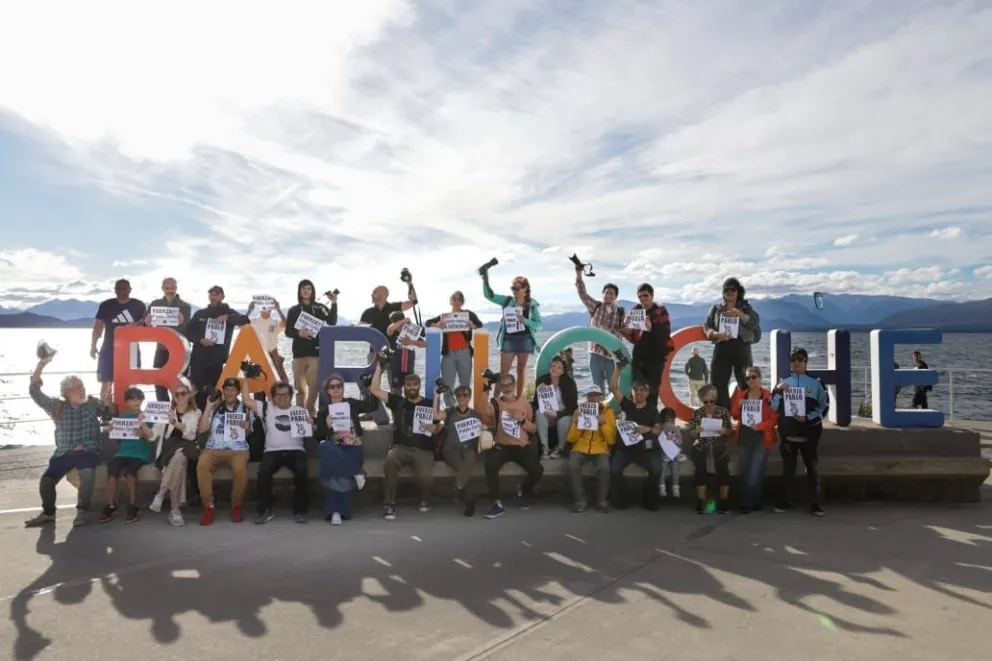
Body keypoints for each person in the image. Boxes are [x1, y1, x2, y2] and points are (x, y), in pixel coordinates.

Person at [24, 353, 112, 527]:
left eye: (82, 386)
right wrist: (41, 365)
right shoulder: (57, 406)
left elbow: (110, 415)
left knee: (87, 472)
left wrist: (109, 404)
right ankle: (48, 513)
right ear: (67, 392)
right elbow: (34, 392)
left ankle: (83, 510)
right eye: (77, 387)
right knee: (46, 481)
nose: (82, 390)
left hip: (88, 451)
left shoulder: (93, 404)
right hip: (64, 452)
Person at [368, 356, 437, 520]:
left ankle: (425, 499)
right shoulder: (397, 402)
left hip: (423, 449)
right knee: (390, 460)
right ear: (404, 387)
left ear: (419, 386)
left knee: (427, 478)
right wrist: (379, 367)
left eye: (415, 385)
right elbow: (375, 390)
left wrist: (435, 428)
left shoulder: (428, 404)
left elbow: (439, 423)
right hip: (401, 448)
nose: (412, 388)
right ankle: (389, 504)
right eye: (409, 385)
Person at [242, 380, 310, 524]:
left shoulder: (300, 411)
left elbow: (311, 432)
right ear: (272, 397)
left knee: (302, 470)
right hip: (272, 451)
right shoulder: (267, 408)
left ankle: (300, 510)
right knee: (263, 473)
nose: (282, 398)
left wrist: (311, 425)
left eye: (285, 395)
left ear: (290, 396)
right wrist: (245, 379)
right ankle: (265, 510)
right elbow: (246, 400)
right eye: (278, 395)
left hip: (295, 450)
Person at [770, 348, 828, 517]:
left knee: (812, 468)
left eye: (800, 359)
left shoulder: (816, 382)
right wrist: (778, 391)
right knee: (788, 469)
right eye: (793, 359)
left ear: (806, 362)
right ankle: (785, 501)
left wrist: (808, 417)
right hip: (788, 434)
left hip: (810, 433)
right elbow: (772, 407)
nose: (796, 362)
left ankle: (815, 504)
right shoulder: (782, 382)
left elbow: (824, 408)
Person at [481, 374, 544, 519]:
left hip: (521, 446)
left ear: (514, 385)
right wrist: (486, 389)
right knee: (490, 466)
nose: (506, 388)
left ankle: (522, 491)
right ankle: (497, 503)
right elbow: (485, 413)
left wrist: (522, 420)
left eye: (509, 385)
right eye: (503, 386)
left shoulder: (525, 404)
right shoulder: (495, 403)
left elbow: (534, 429)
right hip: (502, 445)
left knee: (537, 470)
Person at [195, 377, 253, 525]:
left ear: (238, 392)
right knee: (202, 465)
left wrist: (246, 427)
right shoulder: (215, 406)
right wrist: (208, 407)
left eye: (233, 389)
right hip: (213, 448)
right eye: (226, 389)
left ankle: (237, 506)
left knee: (240, 469)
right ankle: (209, 506)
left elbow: (249, 433)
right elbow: (202, 430)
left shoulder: (246, 408)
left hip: (237, 449)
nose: (229, 392)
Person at [316, 374, 371, 525]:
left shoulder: (351, 404)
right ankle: (357, 472)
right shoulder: (323, 411)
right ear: (327, 390)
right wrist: (327, 426)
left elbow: (372, 405)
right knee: (324, 447)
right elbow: (319, 436)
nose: (336, 389)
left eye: (338, 386)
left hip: (353, 446)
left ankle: (335, 513)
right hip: (335, 448)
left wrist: (369, 387)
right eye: (332, 387)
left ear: (342, 388)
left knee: (335, 472)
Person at [607, 367, 663, 510]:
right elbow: (613, 387)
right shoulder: (627, 405)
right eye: (636, 389)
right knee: (614, 470)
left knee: (656, 470)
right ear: (632, 392)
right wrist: (617, 370)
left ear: (647, 393)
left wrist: (647, 429)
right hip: (625, 449)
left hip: (645, 449)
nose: (639, 392)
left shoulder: (652, 410)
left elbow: (658, 431)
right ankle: (624, 498)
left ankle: (648, 499)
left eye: (642, 390)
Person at [185, 286, 249, 408]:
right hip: (199, 359)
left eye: (217, 294)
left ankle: (214, 419)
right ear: (209, 297)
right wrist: (200, 340)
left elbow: (245, 320)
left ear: (222, 296)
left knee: (216, 391)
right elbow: (188, 332)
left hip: (217, 360)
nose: (214, 297)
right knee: (198, 391)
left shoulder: (229, 312)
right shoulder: (200, 313)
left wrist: (227, 318)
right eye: (211, 294)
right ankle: (200, 420)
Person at [482, 272, 543, 399]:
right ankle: (496, 401)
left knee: (521, 370)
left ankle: (519, 399)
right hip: (509, 340)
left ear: (525, 289)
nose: (514, 291)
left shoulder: (531, 305)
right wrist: (484, 278)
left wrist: (525, 321)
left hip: (525, 339)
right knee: (504, 372)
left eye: (517, 288)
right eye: (512, 288)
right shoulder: (507, 301)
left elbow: (539, 325)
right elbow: (488, 295)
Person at [99, 388, 155, 524]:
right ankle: (111, 505)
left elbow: (151, 439)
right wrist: (113, 430)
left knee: (131, 471)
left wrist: (142, 434)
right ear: (127, 402)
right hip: (123, 452)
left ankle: (133, 505)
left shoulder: (148, 417)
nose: (135, 402)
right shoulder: (123, 417)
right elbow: (117, 437)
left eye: (138, 398)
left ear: (142, 400)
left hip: (140, 453)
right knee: (112, 469)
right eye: (131, 399)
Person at [148, 382, 201, 526]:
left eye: (183, 393)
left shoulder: (195, 412)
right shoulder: (166, 412)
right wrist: (142, 423)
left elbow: (190, 433)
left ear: (189, 395)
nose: (180, 397)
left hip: (186, 449)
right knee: (178, 463)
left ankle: (161, 493)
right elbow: (152, 435)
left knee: (179, 457)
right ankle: (175, 511)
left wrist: (175, 422)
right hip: (167, 452)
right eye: (176, 394)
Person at [704, 277, 761, 409]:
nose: (729, 292)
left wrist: (740, 314)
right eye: (726, 289)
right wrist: (715, 334)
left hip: (742, 347)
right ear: (722, 292)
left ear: (738, 291)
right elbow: (707, 326)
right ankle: (723, 418)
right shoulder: (716, 308)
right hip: (722, 347)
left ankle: (749, 417)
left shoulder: (746, 307)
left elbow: (754, 322)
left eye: (733, 289)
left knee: (747, 382)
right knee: (718, 383)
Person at [730, 366, 779, 513]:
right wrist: (738, 407)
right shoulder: (742, 395)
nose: (751, 380)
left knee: (756, 471)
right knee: (745, 470)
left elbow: (774, 418)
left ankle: (748, 503)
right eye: (748, 378)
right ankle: (753, 501)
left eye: (753, 377)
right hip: (744, 436)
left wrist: (761, 426)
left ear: (760, 378)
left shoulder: (768, 396)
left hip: (761, 438)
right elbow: (735, 416)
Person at [285, 280, 337, 415]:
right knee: (299, 388)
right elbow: (287, 332)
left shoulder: (320, 307)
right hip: (298, 354)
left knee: (314, 387)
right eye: (303, 289)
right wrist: (298, 333)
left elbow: (332, 322)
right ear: (299, 291)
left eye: (309, 288)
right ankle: (300, 415)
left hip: (315, 353)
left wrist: (334, 303)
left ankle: (310, 413)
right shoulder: (293, 310)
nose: (306, 291)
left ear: (312, 291)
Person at [425, 291, 484, 408]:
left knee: (465, 384)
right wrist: (437, 324)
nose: (457, 302)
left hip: (464, 353)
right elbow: (427, 323)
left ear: (462, 302)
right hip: (448, 354)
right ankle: (450, 410)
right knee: (447, 385)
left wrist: (473, 325)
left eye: (459, 300)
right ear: (450, 301)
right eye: (454, 299)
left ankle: (464, 409)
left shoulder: (468, 314)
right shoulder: (445, 316)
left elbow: (480, 324)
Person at [91, 278, 147, 401]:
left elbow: (147, 323)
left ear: (130, 290)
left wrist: (136, 324)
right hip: (109, 347)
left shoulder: (139, 305)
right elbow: (98, 326)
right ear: (115, 290)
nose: (121, 291)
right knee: (106, 382)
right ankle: (106, 413)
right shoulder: (106, 305)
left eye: (124, 289)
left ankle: (129, 413)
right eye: (118, 289)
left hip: (131, 347)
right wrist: (93, 345)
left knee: (131, 382)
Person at [432, 384, 483, 517]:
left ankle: (459, 487)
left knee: (470, 457)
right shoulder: (450, 412)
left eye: (465, 395)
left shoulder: (476, 415)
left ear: (469, 397)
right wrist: (436, 396)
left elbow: (485, 425)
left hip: (469, 448)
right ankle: (469, 500)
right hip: (451, 449)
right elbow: (436, 416)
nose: (461, 398)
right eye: (459, 395)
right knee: (464, 470)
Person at [621, 283, 673, 411]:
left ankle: (651, 419)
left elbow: (666, 333)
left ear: (652, 295)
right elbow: (632, 337)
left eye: (645, 295)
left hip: (656, 356)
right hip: (639, 354)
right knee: (637, 388)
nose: (643, 298)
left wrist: (651, 327)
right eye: (640, 296)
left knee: (652, 390)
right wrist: (626, 329)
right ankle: (637, 417)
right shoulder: (635, 310)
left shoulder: (660, 310)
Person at [565, 385, 617, 513]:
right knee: (572, 466)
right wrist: (576, 424)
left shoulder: (609, 412)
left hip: (600, 448)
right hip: (580, 446)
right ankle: (580, 501)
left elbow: (611, 440)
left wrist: (603, 424)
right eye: (590, 395)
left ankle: (602, 501)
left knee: (604, 468)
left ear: (601, 397)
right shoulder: (580, 410)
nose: (593, 398)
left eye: (596, 395)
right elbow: (571, 439)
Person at [574, 268, 625, 393]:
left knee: (613, 387)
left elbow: (622, 332)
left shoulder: (620, 312)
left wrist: (608, 331)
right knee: (597, 386)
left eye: (611, 293)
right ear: (602, 294)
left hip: (611, 355)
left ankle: (613, 411)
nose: (608, 295)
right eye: (606, 293)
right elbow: (582, 294)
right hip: (595, 352)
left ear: (616, 297)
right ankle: (598, 411)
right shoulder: (596, 306)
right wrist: (579, 274)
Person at [687, 384, 734, 514]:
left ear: (715, 399)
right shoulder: (697, 413)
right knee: (700, 468)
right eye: (705, 401)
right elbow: (691, 435)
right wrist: (696, 431)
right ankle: (701, 501)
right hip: (702, 445)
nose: (708, 404)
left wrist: (724, 431)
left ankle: (724, 501)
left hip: (719, 445)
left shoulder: (723, 412)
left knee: (723, 469)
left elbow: (730, 432)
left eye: (711, 401)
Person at [359, 284, 417, 387]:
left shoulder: (394, 307)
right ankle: (373, 403)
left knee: (396, 387)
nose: (372, 295)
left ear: (383, 295)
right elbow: (360, 331)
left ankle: (394, 403)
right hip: (374, 353)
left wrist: (409, 283)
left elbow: (413, 301)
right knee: (370, 384)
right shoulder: (368, 312)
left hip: (394, 353)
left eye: (374, 293)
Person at [145, 277, 192, 402]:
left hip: (180, 350)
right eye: (167, 288)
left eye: (172, 288)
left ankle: (178, 410)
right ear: (162, 288)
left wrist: (182, 323)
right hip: (161, 348)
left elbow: (189, 330)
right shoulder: (155, 304)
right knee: (158, 380)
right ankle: (163, 410)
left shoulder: (185, 307)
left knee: (179, 382)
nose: (170, 291)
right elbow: (145, 325)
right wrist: (147, 323)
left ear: (176, 288)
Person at [533, 355, 578, 459]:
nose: (555, 368)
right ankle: (545, 447)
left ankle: (560, 448)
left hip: (564, 413)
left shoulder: (569, 383)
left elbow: (572, 407)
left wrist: (558, 414)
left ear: (563, 371)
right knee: (539, 413)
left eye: (558, 367)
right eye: (553, 366)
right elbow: (535, 403)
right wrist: (539, 392)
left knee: (564, 421)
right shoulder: (542, 380)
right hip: (548, 412)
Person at [386, 311, 427, 395]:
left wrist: (411, 342)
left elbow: (425, 344)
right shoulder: (392, 333)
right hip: (395, 369)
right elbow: (390, 329)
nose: (399, 326)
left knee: (411, 392)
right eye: (397, 323)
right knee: (395, 393)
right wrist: (404, 321)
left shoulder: (411, 332)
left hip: (409, 368)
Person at [248, 297, 288, 383]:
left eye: (270, 307)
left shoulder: (275, 322)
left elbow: (286, 323)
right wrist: (249, 310)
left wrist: (278, 309)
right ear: (260, 309)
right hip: (259, 356)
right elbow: (242, 323)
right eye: (265, 307)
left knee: (282, 383)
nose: (268, 309)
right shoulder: (253, 321)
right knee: (260, 387)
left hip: (273, 355)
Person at [658, 408, 683, 499]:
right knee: (669, 470)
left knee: (667, 470)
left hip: (670, 455)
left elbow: (680, 442)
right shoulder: (663, 429)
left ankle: (670, 488)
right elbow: (680, 442)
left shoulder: (673, 429)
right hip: (669, 455)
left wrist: (673, 439)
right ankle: (668, 487)